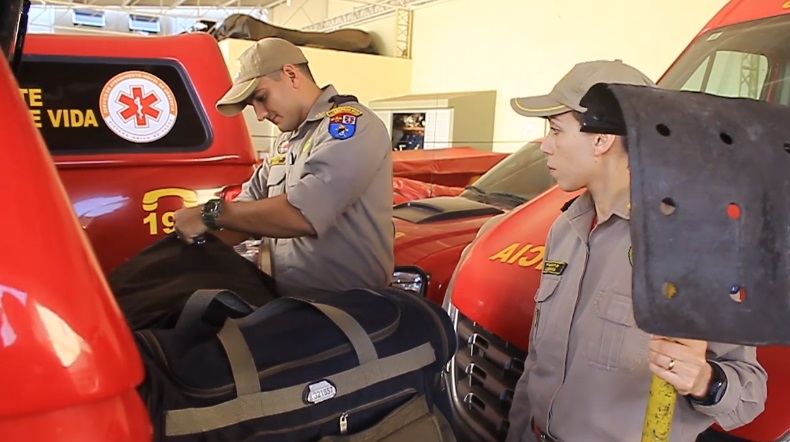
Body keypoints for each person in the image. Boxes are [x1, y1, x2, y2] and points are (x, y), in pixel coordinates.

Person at [504, 60, 767, 442]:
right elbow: (538, 363)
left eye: (556, 130)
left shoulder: (691, 244)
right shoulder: (566, 228)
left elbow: (750, 394)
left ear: (601, 139)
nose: (545, 145)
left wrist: (705, 381)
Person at [173, 37, 394, 297]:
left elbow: (302, 214)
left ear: (291, 75)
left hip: (347, 306)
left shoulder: (350, 126)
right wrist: (190, 245)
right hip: (289, 301)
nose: (260, 115)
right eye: (253, 105)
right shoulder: (285, 142)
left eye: (261, 98)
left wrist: (209, 214)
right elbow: (246, 211)